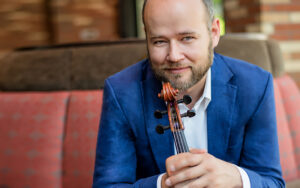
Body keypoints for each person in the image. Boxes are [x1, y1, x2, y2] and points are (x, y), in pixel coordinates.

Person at [93, 0, 285, 187]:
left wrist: (236, 177)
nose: (174, 56)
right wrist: (163, 184)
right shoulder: (121, 92)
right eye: (159, 41)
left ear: (214, 33)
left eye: (187, 38)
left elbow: (272, 182)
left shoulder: (255, 86)